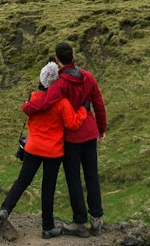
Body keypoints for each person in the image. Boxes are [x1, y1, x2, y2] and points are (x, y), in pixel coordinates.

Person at [0, 61, 90, 239]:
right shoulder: (62, 103)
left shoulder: (33, 97)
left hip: (33, 147)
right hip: (53, 151)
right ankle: (47, 228)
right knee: (48, 187)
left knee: (22, 181)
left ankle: (5, 210)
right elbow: (73, 124)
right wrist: (83, 109)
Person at [22, 42, 106, 234]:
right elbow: (99, 104)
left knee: (74, 177)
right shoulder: (88, 77)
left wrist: (27, 107)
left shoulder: (60, 84)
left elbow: (42, 103)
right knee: (92, 174)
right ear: (73, 57)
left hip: (71, 137)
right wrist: (101, 128)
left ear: (57, 60)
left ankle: (79, 222)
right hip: (90, 132)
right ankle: (96, 218)